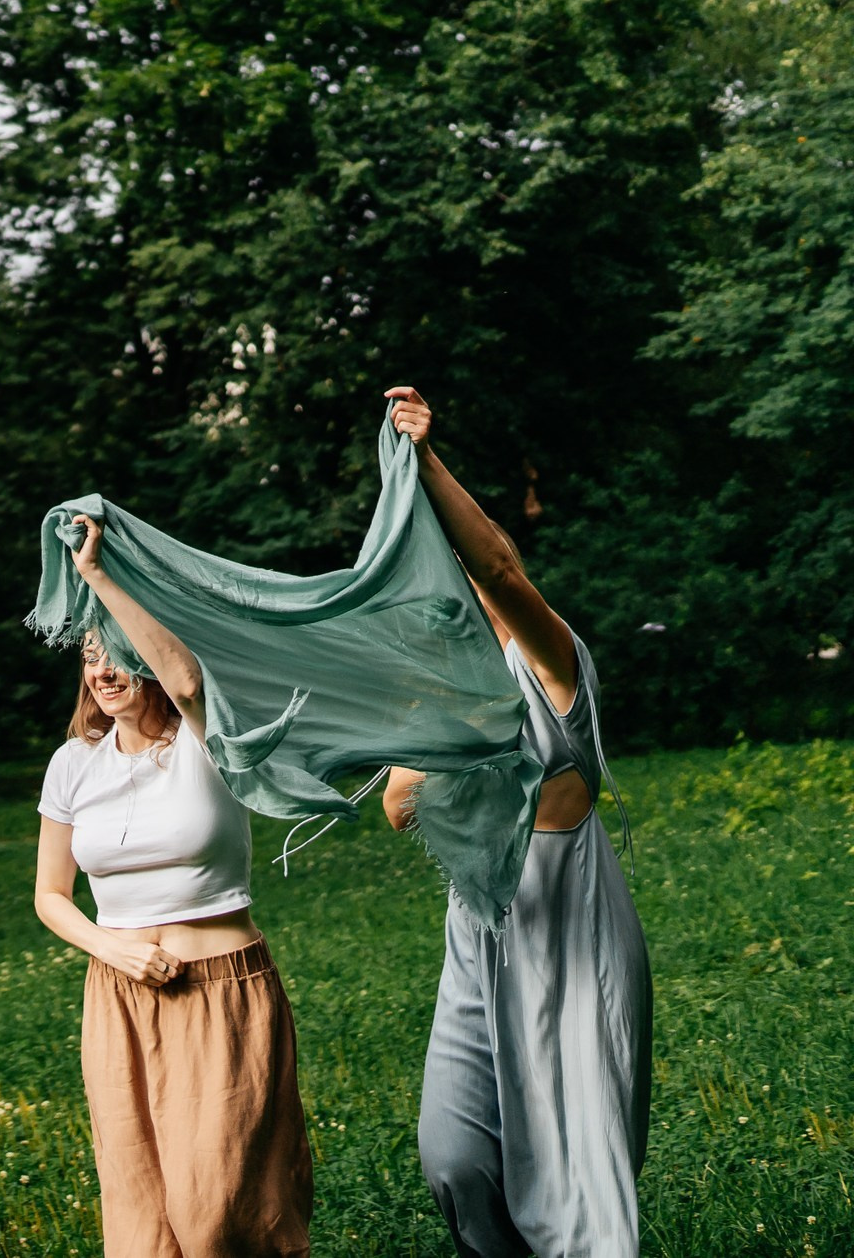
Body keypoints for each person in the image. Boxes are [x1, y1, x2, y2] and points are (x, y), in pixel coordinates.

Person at [381, 386, 652, 1258]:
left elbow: (499, 568)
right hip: (481, 926)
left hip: (571, 929)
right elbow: (395, 804)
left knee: (579, 1181)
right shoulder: (452, 696)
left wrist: (423, 462)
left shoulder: (558, 665)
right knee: (453, 1158)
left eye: (457, 579)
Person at [34, 516, 313, 1258]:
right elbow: (51, 895)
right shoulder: (72, 765)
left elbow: (187, 678)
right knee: (142, 1222)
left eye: (117, 650)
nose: (102, 668)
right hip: (118, 999)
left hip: (220, 992)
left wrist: (97, 578)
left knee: (224, 1215)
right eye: (90, 654)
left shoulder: (204, 739)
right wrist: (113, 948)